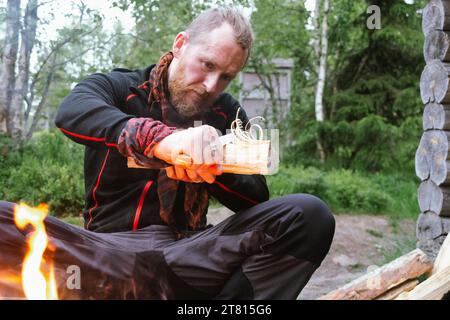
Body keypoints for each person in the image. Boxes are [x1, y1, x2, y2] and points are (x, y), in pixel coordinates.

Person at [0, 7, 335, 299]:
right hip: (107, 254)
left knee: (309, 215)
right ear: (180, 45)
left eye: (226, 77)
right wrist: (163, 141)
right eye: (207, 65)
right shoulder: (120, 87)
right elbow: (72, 112)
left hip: (187, 255)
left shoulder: (227, 114)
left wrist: (214, 161)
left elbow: (256, 199)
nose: (211, 85)